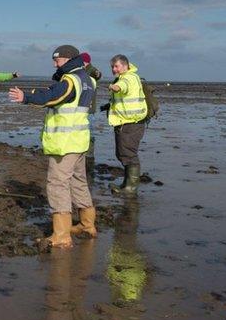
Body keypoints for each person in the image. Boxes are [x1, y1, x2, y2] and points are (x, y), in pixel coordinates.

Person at [8, 45, 96, 247]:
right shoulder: (88, 80)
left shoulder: (71, 80)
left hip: (65, 145)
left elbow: (54, 97)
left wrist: (26, 97)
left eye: (57, 60)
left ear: (68, 59)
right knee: (78, 182)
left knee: (57, 184)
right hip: (79, 142)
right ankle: (87, 224)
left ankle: (62, 235)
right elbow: (56, 93)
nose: (54, 63)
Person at [104, 54, 147, 194]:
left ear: (125, 65)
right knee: (123, 153)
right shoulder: (126, 76)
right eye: (112, 67)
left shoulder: (128, 78)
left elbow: (123, 87)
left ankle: (131, 188)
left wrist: (114, 87)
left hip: (131, 123)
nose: (114, 69)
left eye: (116, 66)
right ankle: (126, 184)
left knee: (128, 153)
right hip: (127, 122)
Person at [80, 52, 102, 172]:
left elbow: (98, 74)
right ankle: (83, 155)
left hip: (89, 108)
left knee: (89, 133)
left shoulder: (91, 70)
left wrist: (95, 72)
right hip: (82, 108)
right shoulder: (80, 71)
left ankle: (89, 156)